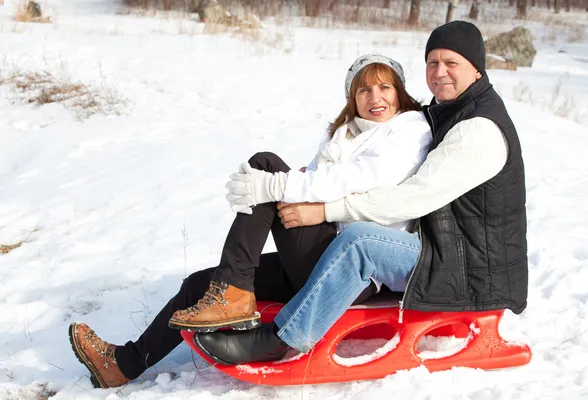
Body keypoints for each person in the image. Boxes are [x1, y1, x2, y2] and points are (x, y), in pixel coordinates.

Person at [67, 54, 433, 388]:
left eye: (385, 86)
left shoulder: (410, 129)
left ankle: (234, 288)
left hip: (354, 266)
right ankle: (122, 364)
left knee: (266, 166)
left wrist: (281, 184)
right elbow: (322, 181)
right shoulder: (347, 135)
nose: (375, 97)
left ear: (400, 92)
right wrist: (290, 186)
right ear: (352, 98)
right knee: (199, 283)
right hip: (321, 250)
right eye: (364, 89)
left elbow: (360, 178)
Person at [192, 20, 529, 366]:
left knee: (362, 241)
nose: (439, 72)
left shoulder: (478, 129)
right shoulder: (452, 110)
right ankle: (229, 292)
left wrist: (325, 210)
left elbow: (413, 197)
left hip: (468, 268)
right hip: (445, 248)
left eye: (451, 63)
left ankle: (281, 339)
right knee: (281, 180)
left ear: (476, 68)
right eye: (432, 63)